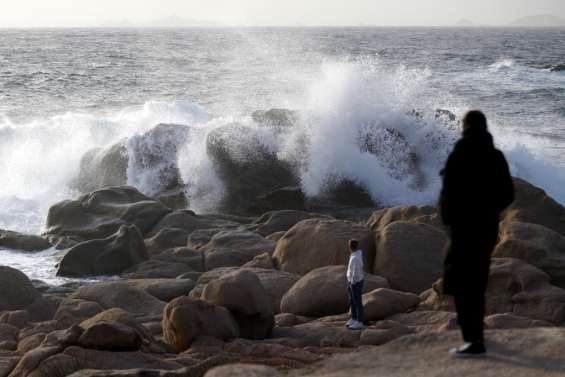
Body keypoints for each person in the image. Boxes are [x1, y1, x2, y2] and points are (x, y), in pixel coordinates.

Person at [439, 110, 514, 357]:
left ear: (465, 127)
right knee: (477, 282)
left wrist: (449, 220)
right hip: (486, 229)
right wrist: (490, 210)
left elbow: (447, 194)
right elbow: (508, 195)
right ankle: (476, 338)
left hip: (462, 230)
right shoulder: (496, 156)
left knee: (461, 283)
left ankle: (472, 339)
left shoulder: (459, 154)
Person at [346, 239, 364, 330]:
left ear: (350, 247)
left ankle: (359, 321)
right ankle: (353, 318)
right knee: (352, 301)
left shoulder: (355, 258)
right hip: (351, 281)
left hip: (355, 282)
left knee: (357, 301)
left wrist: (352, 282)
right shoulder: (355, 255)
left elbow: (355, 272)